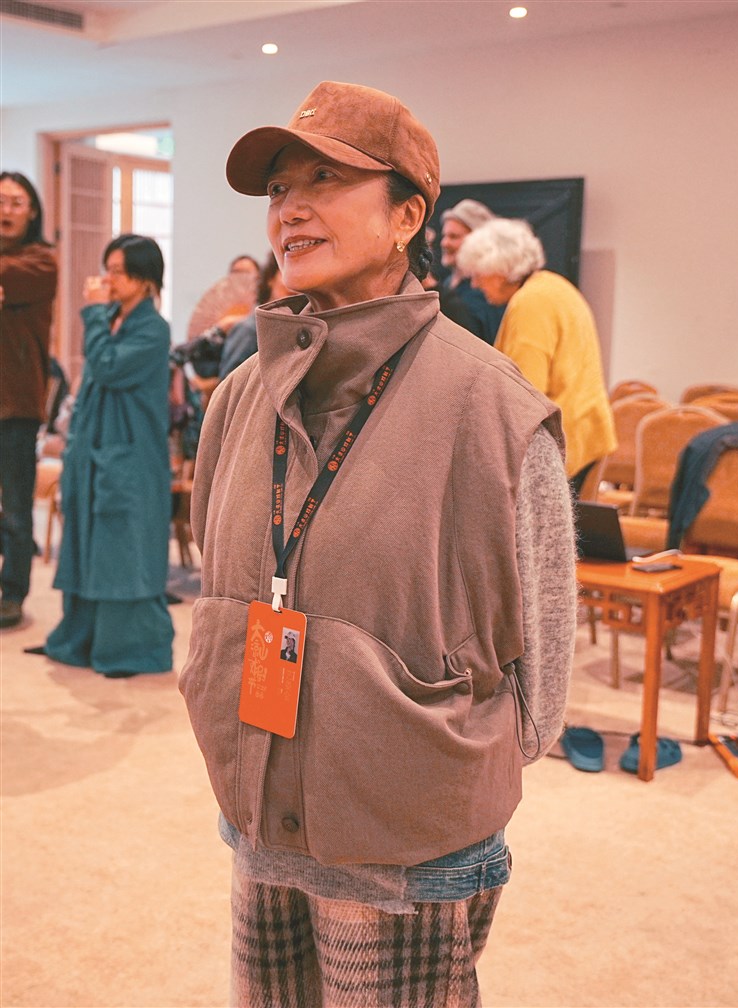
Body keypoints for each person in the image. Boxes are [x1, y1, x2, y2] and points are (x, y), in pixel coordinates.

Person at [179, 80, 575, 1007]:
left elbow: (546, 663)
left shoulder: (494, 407)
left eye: (325, 179)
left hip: (407, 840)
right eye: (280, 187)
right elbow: (218, 570)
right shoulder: (240, 395)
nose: (291, 208)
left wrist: (430, 745)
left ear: (407, 216)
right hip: (257, 796)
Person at [39, 234, 174, 678]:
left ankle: (131, 650)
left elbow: (109, 367)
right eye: (108, 269)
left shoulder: (153, 329)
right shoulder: (114, 320)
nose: (108, 280)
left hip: (130, 456)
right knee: (87, 544)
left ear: (144, 277)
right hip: (94, 451)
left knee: (124, 551)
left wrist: (94, 314)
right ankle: (78, 641)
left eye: (117, 271)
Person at [457, 217, 617, 497]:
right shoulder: (554, 286)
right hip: (585, 430)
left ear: (500, 269)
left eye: (478, 273)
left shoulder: (530, 303)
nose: (475, 283)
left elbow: (525, 394)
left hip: (564, 441)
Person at [0, 171, 58, 629]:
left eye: (16, 202)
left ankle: (12, 594)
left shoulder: (41, 262)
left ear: (32, 210)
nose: (6, 210)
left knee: (16, 509)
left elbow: (11, 276)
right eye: (1, 200)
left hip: (15, 403)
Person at [437, 198, 505, 344]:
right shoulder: (448, 282)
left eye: (454, 237)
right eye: (444, 236)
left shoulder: (487, 290)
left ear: (477, 241)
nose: (444, 243)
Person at [217, 252, 290, 379]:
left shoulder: (293, 326)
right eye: (285, 272)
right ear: (270, 278)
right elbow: (231, 383)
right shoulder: (250, 329)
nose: (292, 284)